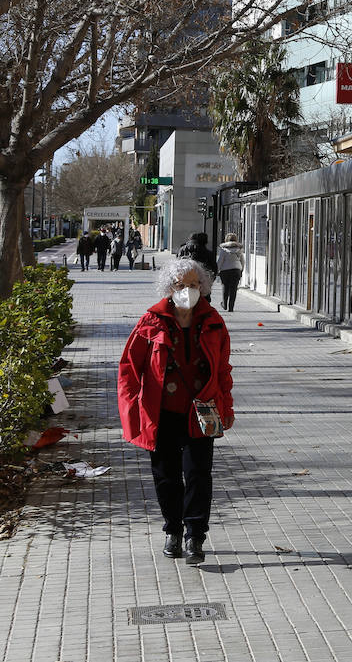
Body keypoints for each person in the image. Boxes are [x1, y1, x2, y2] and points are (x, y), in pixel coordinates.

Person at [117, 258, 234, 565]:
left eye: (194, 285)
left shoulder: (214, 322)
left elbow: (223, 370)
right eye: (181, 285)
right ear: (169, 288)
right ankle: (173, 529)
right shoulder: (150, 322)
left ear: (203, 287)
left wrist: (227, 407)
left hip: (202, 411)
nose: (187, 291)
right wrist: (131, 411)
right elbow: (129, 369)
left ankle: (195, 535)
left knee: (198, 474)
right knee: (166, 476)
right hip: (162, 412)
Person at [215, 233, 245, 312]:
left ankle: (224, 304)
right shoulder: (239, 250)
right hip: (236, 270)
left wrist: (217, 270)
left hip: (225, 271)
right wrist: (241, 270)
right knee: (233, 289)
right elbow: (242, 261)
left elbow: (220, 261)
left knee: (225, 287)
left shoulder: (223, 250)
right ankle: (231, 307)